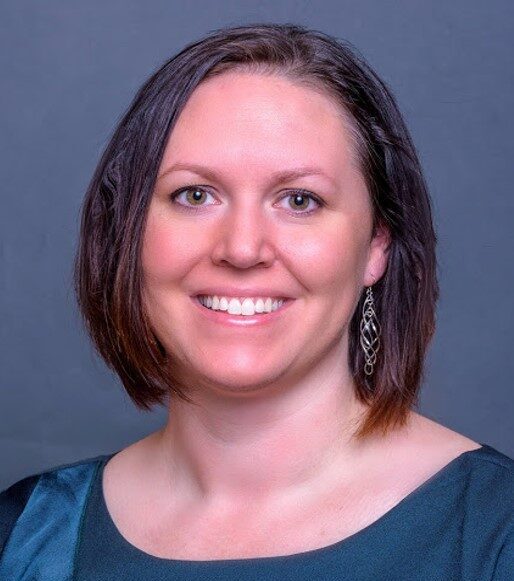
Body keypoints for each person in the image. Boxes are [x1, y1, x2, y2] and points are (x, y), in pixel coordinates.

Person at [1, 22, 512, 580]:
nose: (243, 248)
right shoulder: (26, 537)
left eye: (300, 200)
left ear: (376, 246)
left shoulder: (494, 533)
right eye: (194, 195)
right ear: (129, 232)